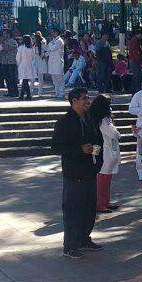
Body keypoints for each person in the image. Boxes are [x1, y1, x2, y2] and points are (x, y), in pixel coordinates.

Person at [50, 88, 103, 258]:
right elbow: (56, 147)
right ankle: (70, 245)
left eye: (88, 98)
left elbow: (98, 140)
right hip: (74, 174)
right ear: (74, 101)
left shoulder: (90, 119)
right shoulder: (65, 122)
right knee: (73, 210)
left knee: (89, 208)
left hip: (90, 172)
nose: (88, 101)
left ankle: (84, 238)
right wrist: (79, 150)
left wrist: (97, 156)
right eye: (84, 98)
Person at [90, 95, 121, 214]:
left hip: (106, 150)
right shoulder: (102, 120)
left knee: (107, 177)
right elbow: (114, 134)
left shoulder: (101, 118)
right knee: (102, 178)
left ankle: (105, 202)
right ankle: (99, 204)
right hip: (105, 151)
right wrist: (118, 134)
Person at [45, 28, 67, 98]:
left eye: (54, 32)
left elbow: (52, 48)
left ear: (57, 33)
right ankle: (57, 92)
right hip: (52, 62)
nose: (52, 33)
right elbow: (48, 49)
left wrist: (50, 45)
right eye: (52, 32)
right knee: (54, 79)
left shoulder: (59, 41)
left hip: (58, 62)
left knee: (59, 79)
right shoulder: (53, 41)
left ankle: (61, 93)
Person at [17, 35, 39, 100]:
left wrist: (18, 64)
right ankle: (28, 96)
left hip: (22, 64)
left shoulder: (21, 47)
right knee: (25, 80)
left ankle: (23, 96)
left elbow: (18, 57)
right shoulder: (32, 48)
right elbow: (33, 57)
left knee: (25, 80)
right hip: (29, 65)